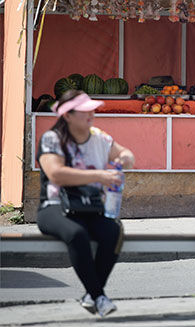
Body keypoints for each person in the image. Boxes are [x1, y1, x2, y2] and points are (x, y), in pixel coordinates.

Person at [36, 90, 135, 317]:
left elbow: (126, 155)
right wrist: (99, 176)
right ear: (67, 115)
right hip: (54, 207)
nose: (91, 113)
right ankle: (99, 297)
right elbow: (56, 174)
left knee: (114, 231)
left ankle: (92, 295)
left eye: (91, 108)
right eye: (83, 110)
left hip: (89, 207)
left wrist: (124, 159)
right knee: (77, 233)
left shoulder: (99, 137)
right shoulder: (52, 138)